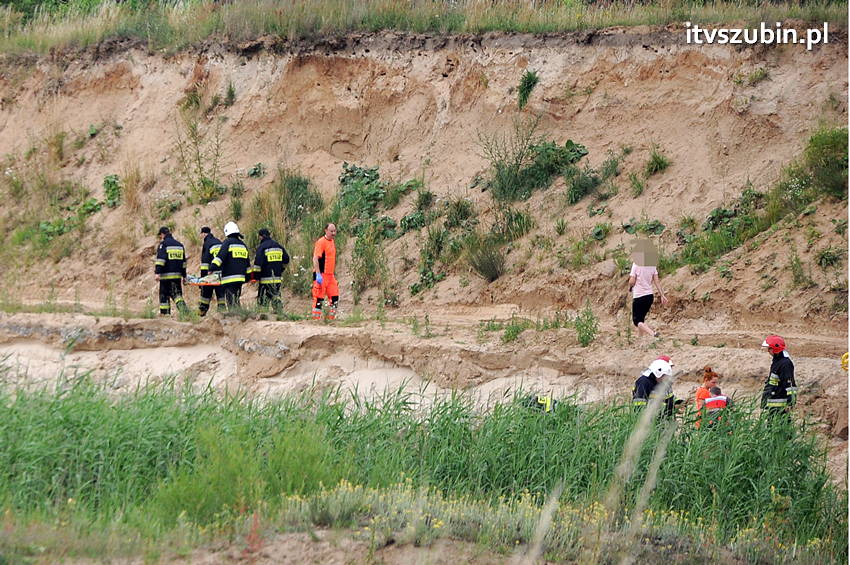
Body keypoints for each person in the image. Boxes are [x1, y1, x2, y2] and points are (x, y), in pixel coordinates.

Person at [210, 221, 250, 309]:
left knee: (231, 301)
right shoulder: (243, 245)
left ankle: (235, 318)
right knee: (236, 299)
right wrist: (247, 277)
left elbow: (219, 258)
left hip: (229, 278)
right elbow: (248, 264)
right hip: (240, 278)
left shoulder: (227, 243)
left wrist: (211, 268)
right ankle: (240, 316)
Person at [252, 227, 289, 311]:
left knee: (263, 300)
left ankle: (263, 316)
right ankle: (279, 313)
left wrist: (256, 277)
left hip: (265, 280)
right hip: (277, 279)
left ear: (261, 237)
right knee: (276, 296)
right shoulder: (278, 246)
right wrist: (281, 269)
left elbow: (258, 264)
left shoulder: (262, 247)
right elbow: (286, 259)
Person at [760, 335, 797, 418]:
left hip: (780, 405)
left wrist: (790, 402)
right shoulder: (777, 362)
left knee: (781, 427)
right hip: (773, 403)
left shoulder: (785, 364)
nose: (768, 351)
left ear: (775, 349)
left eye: (769, 348)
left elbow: (789, 384)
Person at [154, 226, 188, 316]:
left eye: (160, 236)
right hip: (177, 276)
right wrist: (184, 276)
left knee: (164, 295)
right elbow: (184, 263)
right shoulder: (180, 245)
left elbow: (161, 260)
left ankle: (165, 314)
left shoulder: (163, 244)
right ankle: (185, 312)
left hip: (166, 277)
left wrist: (157, 272)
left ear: (162, 234)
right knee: (177, 295)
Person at [628, 261, 668, 338]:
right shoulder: (652, 264)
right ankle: (640, 338)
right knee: (641, 319)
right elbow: (656, 281)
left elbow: (632, 281)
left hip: (639, 296)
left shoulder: (636, 264)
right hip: (649, 296)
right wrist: (662, 295)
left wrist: (630, 286)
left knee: (637, 321)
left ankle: (653, 334)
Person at [312, 223, 339, 321]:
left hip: (330, 275)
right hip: (321, 274)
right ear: (326, 231)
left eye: (334, 231)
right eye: (331, 231)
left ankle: (330, 320)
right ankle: (316, 320)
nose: (333, 233)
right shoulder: (321, 242)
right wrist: (318, 274)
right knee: (319, 298)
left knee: (334, 296)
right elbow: (315, 258)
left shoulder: (332, 242)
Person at [198, 226, 225, 316]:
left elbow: (205, 262)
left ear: (204, 234)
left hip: (210, 273)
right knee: (221, 296)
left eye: (201, 234)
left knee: (205, 295)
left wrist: (202, 279)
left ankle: (202, 313)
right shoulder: (219, 242)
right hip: (221, 273)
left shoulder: (207, 243)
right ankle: (222, 314)